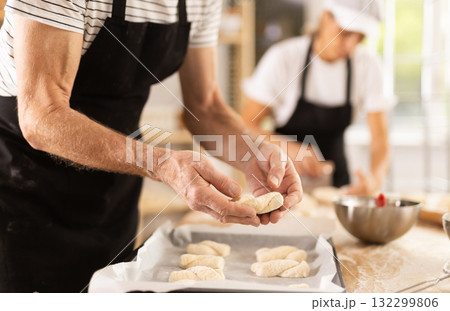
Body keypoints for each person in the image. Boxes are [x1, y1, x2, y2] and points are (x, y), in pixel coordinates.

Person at [0, 0, 302, 292]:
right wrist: (161, 163)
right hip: (25, 190)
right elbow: (42, 117)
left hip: (113, 193)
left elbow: (205, 107)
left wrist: (256, 153)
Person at [242, 0, 391, 194]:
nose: (350, 45)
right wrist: (286, 148)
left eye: (360, 38)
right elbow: (245, 127)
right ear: (326, 16)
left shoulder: (368, 67)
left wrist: (374, 179)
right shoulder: (283, 58)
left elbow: (380, 139)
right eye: (345, 33)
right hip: (279, 184)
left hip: (337, 188)